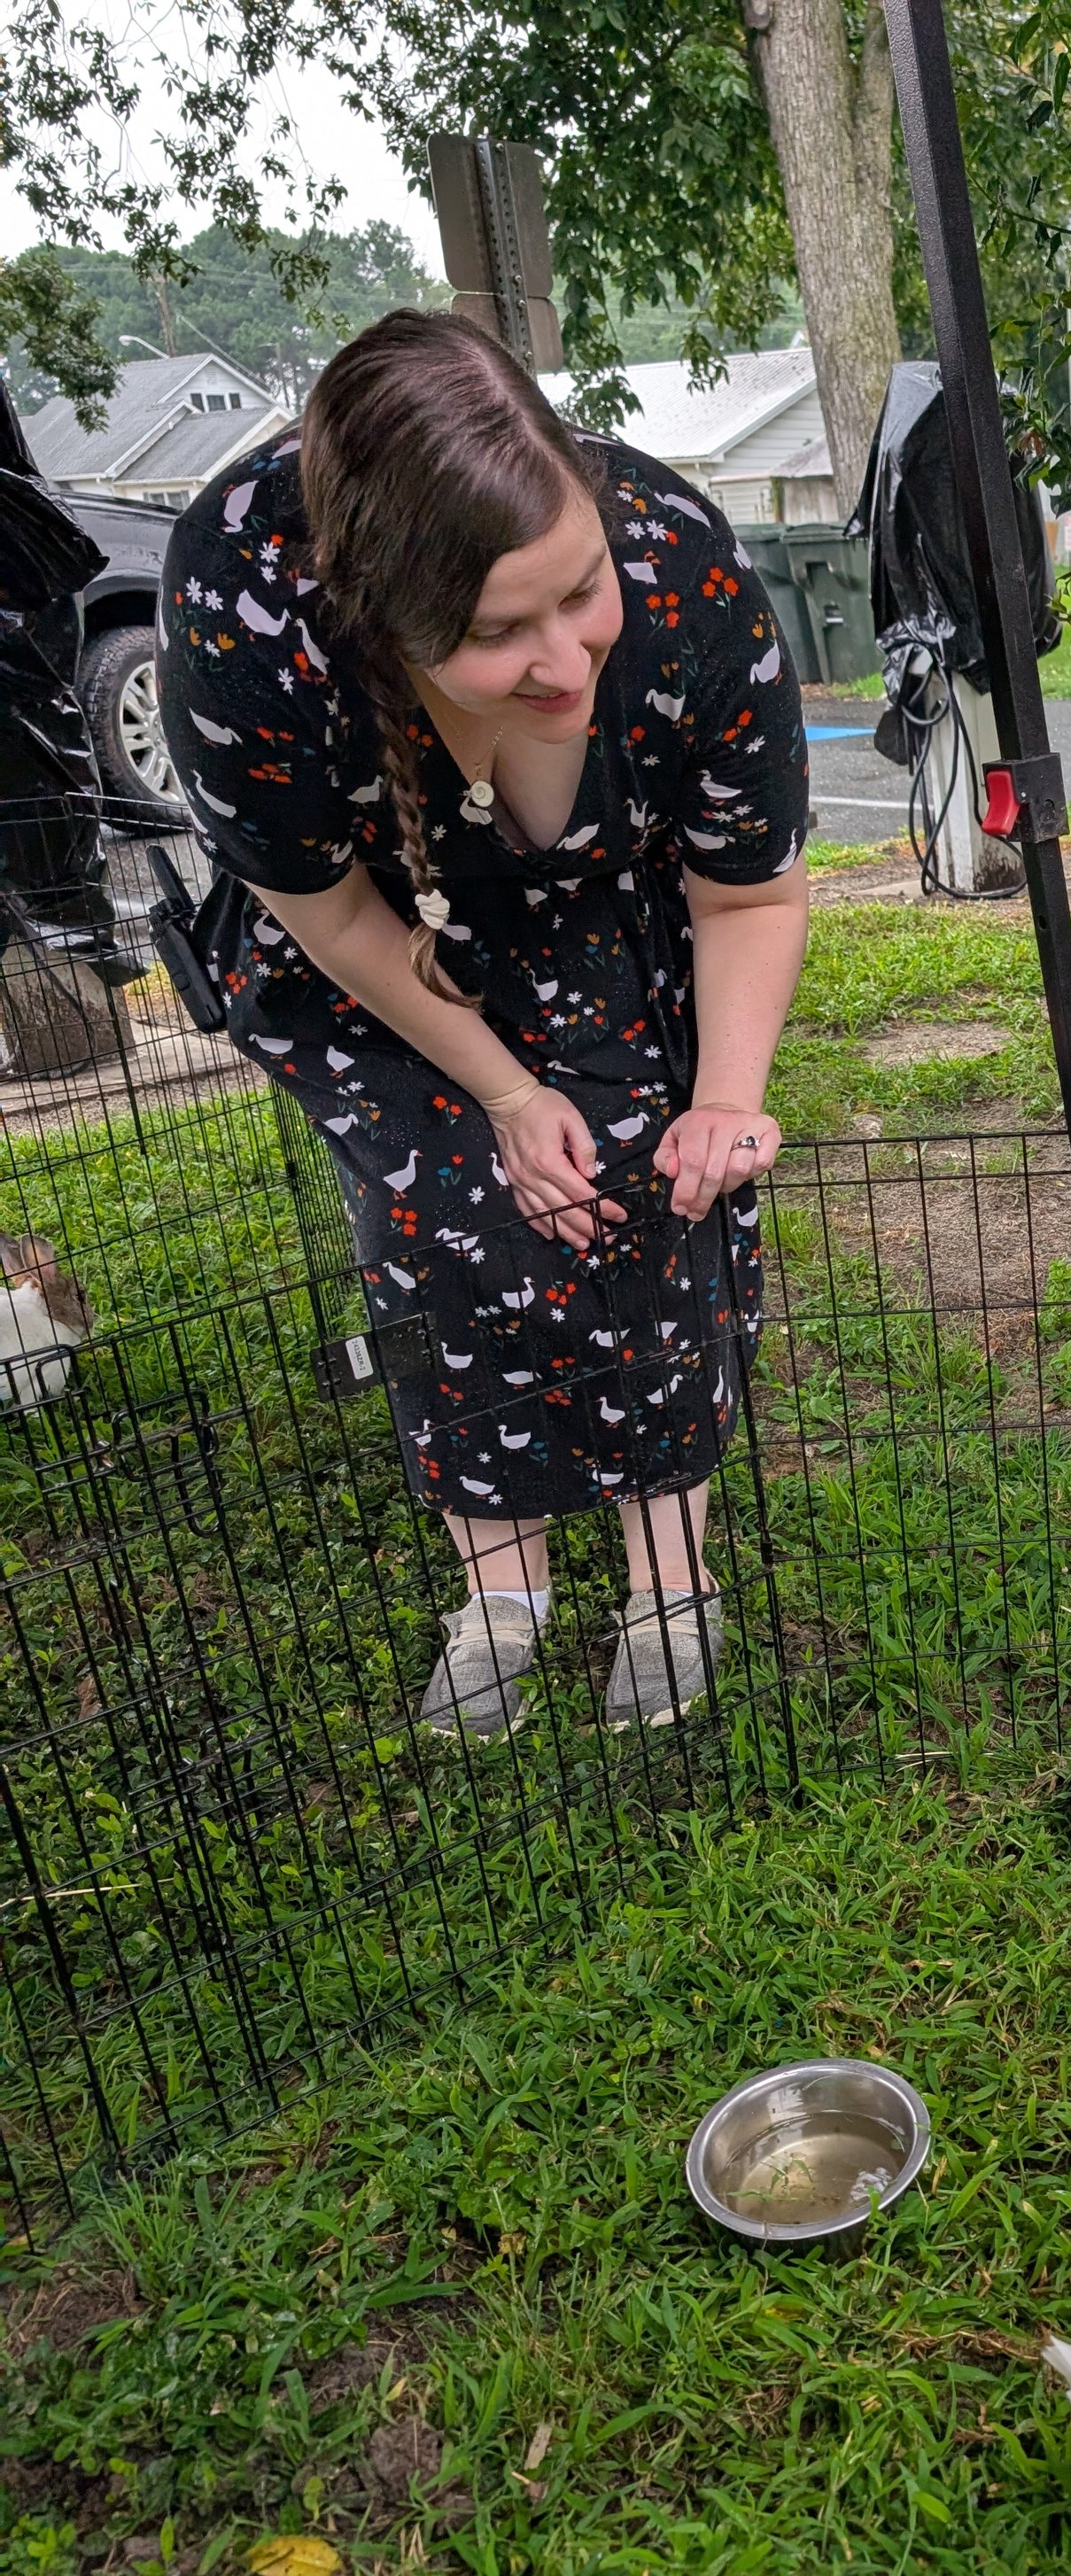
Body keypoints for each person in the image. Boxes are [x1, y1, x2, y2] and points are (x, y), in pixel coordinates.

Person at [158, 308, 809, 1739]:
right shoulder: (241, 606)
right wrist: (504, 1095)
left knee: (641, 1191)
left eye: (579, 592)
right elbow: (321, 913)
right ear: (372, 611)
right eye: (496, 632)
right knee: (439, 1220)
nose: (568, 661)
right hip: (387, 946)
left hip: (616, 925)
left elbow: (748, 896)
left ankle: (667, 1578)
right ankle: (503, 1595)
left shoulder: (682, 571)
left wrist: (724, 1098)